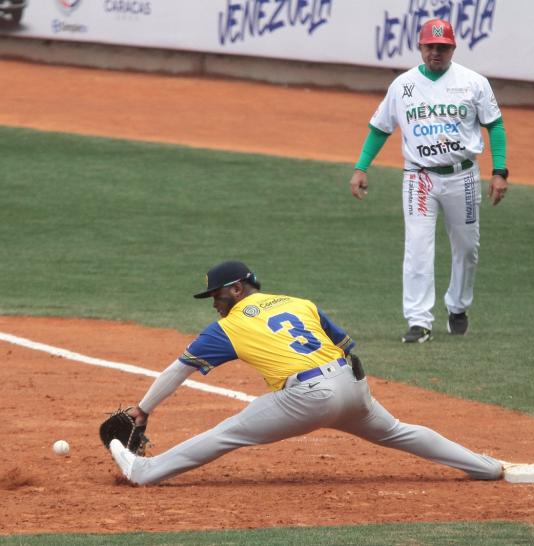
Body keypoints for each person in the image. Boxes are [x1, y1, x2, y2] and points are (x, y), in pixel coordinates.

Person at [105, 260, 503, 485]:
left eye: (217, 295)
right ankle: (484, 466)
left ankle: (146, 472)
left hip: (307, 397)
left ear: (238, 288)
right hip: (352, 387)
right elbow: (348, 348)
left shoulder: (229, 326)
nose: (214, 304)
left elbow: (179, 370)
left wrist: (142, 409)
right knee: (400, 431)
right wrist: (357, 392)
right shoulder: (299, 303)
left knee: (227, 432)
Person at [348, 18, 510, 343]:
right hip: (419, 178)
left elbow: (495, 125)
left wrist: (500, 171)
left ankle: (458, 306)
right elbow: (381, 127)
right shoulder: (402, 86)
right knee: (418, 248)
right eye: (430, 47)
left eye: (443, 47)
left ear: (453, 48)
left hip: (462, 176)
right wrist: (361, 167)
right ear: (420, 47)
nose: (436, 52)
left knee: (467, 248)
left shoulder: (473, 82)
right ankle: (419, 321)